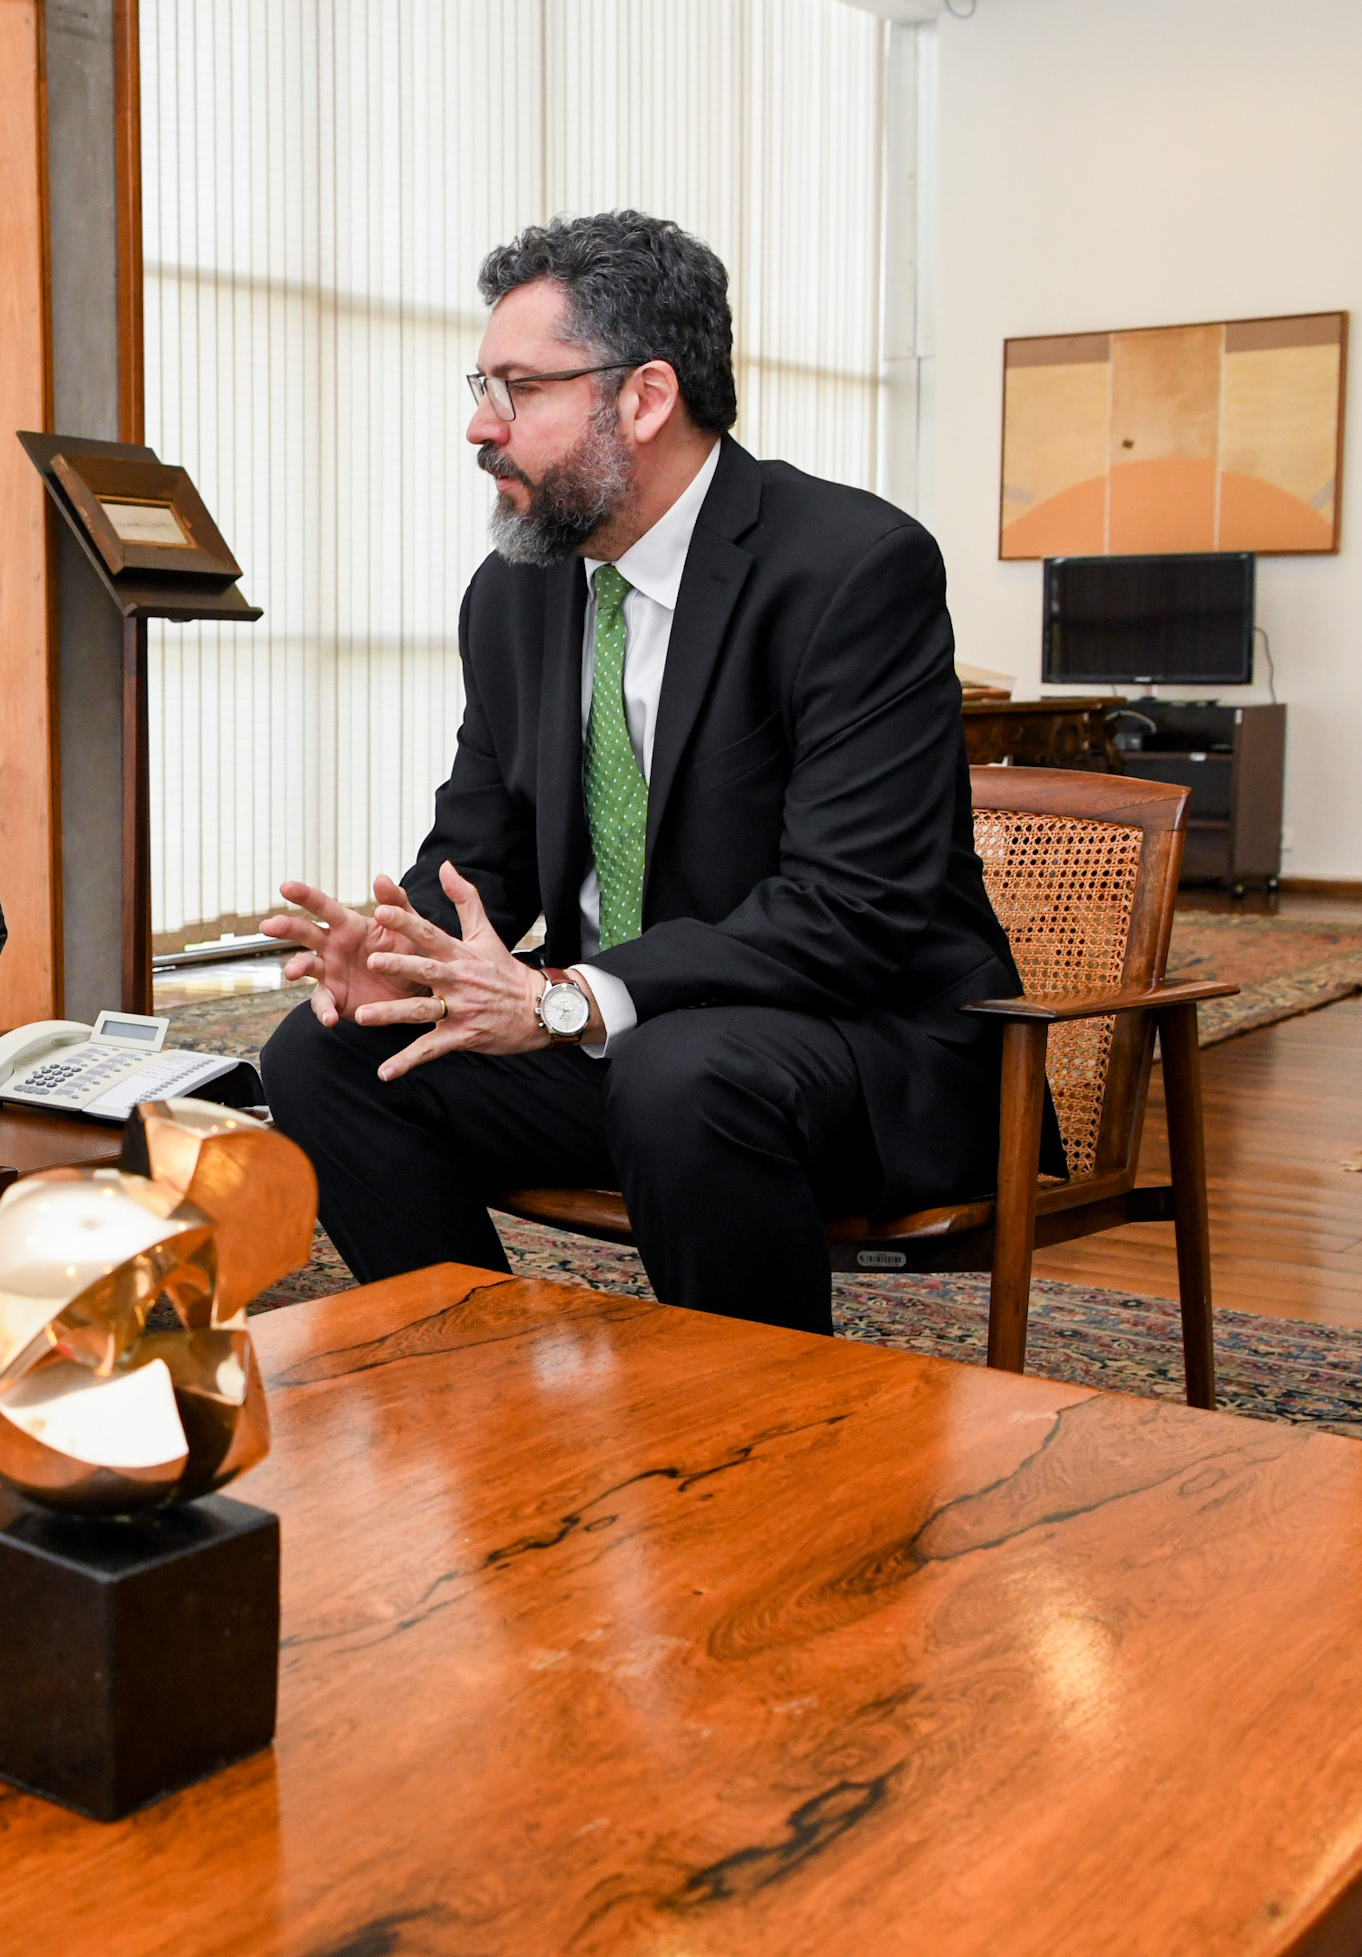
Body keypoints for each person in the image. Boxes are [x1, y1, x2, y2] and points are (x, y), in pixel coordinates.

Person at [257, 212, 1020, 1336]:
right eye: (483, 385)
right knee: (326, 1055)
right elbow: (484, 849)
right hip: (624, 1038)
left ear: (645, 397)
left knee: (683, 1072)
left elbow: (853, 912)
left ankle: (757, 1447)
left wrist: (570, 1000)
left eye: (518, 388)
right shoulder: (515, 591)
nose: (480, 424)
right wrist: (404, 949)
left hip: (862, 1048)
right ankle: (484, 1387)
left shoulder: (853, 569)